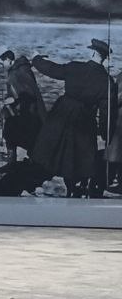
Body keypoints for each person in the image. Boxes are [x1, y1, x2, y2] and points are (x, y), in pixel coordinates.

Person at [30, 39, 112, 197]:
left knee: (59, 151)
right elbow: (105, 112)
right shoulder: (107, 81)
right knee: (80, 155)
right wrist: (104, 132)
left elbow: (51, 69)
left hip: (63, 113)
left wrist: (36, 59)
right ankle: (79, 185)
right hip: (85, 119)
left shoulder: (75, 67)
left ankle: (68, 186)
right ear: (105, 58)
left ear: (93, 52)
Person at [0, 49, 46, 161]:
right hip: (26, 111)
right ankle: (21, 160)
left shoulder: (20, 72)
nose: (1, 66)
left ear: (8, 60)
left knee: (10, 130)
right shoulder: (17, 70)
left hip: (31, 113)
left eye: (1, 63)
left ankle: (13, 161)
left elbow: (28, 94)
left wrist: (10, 100)